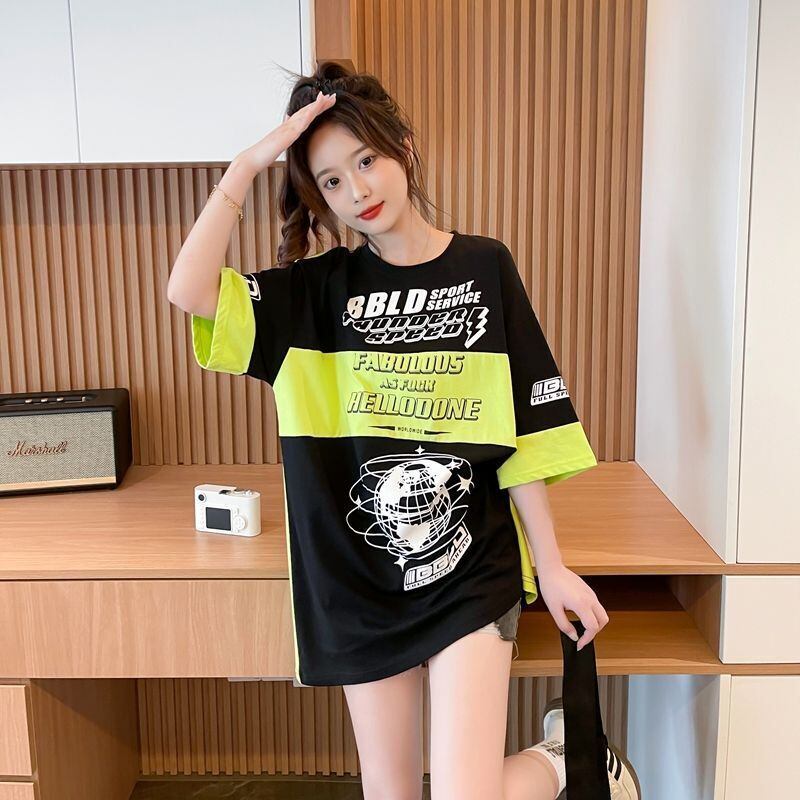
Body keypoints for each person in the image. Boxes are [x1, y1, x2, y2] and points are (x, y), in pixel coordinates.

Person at [167, 61, 641, 800]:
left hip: (469, 570)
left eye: (366, 160)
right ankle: (565, 751)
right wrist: (244, 168)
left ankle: (570, 759)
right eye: (331, 180)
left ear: (405, 148)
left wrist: (550, 566)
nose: (357, 191)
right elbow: (189, 290)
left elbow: (523, 429)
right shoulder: (316, 294)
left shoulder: (485, 267)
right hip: (358, 580)